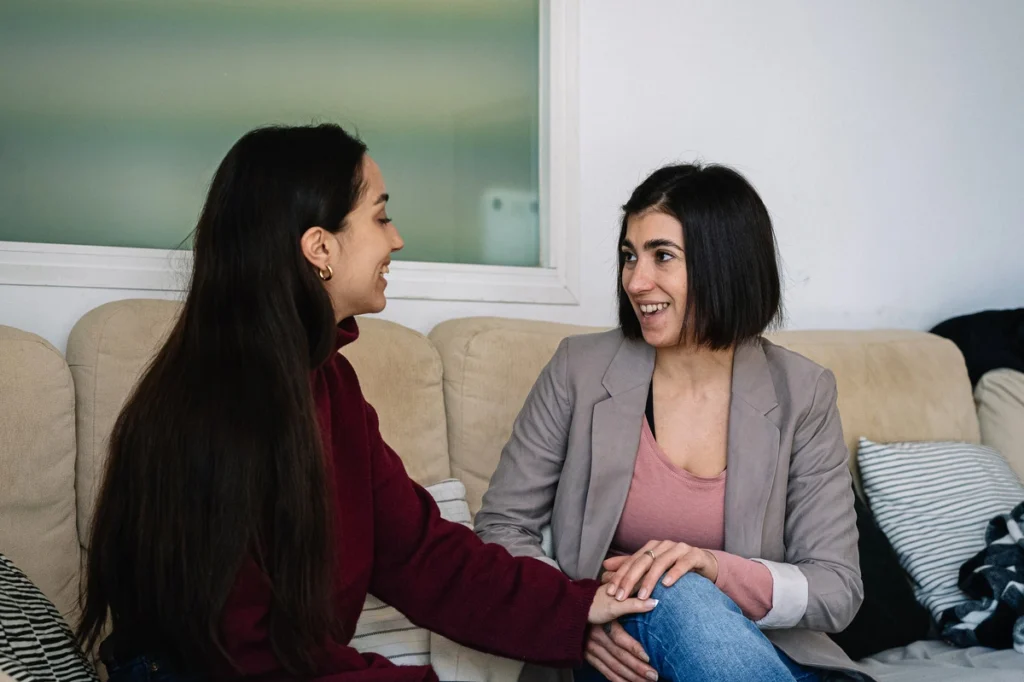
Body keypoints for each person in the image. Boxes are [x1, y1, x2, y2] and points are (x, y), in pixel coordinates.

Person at [76, 124, 657, 682]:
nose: (396, 239)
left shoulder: (330, 385)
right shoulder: (214, 409)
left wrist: (578, 608)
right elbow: (246, 655)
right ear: (320, 247)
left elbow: (422, 555)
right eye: (380, 217)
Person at [475, 164, 866, 682]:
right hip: (618, 656)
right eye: (629, 257)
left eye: (663, 256)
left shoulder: (803, 392)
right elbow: (502, 528)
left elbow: (836, 588)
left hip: (768, 654)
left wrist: (713, 569)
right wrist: (575, 615)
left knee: (680, 581)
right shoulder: (579, 369)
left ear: (724, 264)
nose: (636, 281)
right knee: (667, 587)